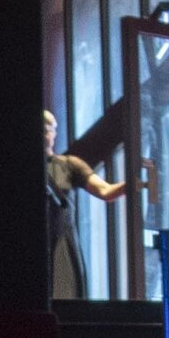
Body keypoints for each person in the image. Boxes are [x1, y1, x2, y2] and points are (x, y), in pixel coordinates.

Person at [43, 112, 125, 301]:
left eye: (49, 129)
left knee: (65, 298)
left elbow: (105, 191)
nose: (45, 135)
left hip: (61, 241)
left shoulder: (69, 165)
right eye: (42, 130)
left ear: (54, 133)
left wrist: (132, 184)